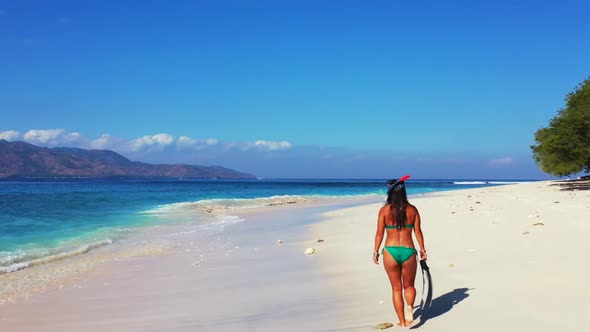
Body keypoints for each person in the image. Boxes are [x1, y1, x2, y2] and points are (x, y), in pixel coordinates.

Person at [373, 177, 427, 327]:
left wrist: (376, 251)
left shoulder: (384, 211)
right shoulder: (412, 210)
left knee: (396, 289)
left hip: (390, 252)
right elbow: (418, 231)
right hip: (409, 251)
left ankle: (402, 322)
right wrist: (422, 250)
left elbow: (379, 233)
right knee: (409, 286)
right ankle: (410, 306)